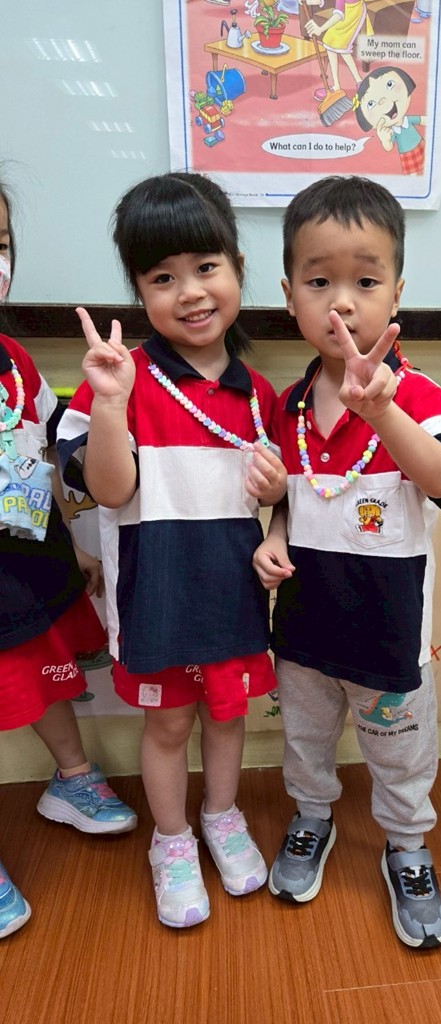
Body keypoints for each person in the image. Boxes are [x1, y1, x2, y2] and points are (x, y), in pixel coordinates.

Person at [252, 175, 441, 949]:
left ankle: (407, 846)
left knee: (400, 754)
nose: (340, 303)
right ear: (289, 295)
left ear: (396, 293)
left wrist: (381, 411)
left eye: (365, 282)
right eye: (319, 282)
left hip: (387, 635)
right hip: (305, 631)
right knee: (304, 742)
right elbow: (299, 497)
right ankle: (311, 816)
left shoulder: (417, 395)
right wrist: (275, 529)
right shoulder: (286, 407)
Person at [57, 172, 287, 928]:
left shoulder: (261, 397)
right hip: (155, 594)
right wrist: (112, 403)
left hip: (231, 595)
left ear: (238, 269)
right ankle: (172, 839)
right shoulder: (119, 381)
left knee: (227, 717)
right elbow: (109, 489)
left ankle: (221, 815)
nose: (189, 292)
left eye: (205, 267)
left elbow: (283, 503)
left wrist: (277, 500)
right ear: (138, 290)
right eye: (162, 278)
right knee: (166, 726)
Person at [0, 179, 137, 940]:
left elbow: (51, 452)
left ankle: (72, 778)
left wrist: (80, 548)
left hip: (28, 562)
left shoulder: (14, 360)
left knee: (44, 669)